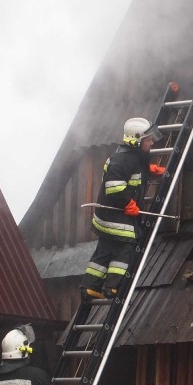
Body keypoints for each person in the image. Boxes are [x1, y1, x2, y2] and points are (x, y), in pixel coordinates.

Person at [80, 117, 165, 300]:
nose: (151, 142)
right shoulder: (125, 159)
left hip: (107, 218)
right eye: (148, 139)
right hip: (118, 218)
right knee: (125, 251)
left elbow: (132, 171)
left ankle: (90, 287)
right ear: (137, 139)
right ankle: (113, 288)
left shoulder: (129, 157)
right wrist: (129, 204)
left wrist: (149, 170)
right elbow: (114, 187)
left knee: (104, 252)